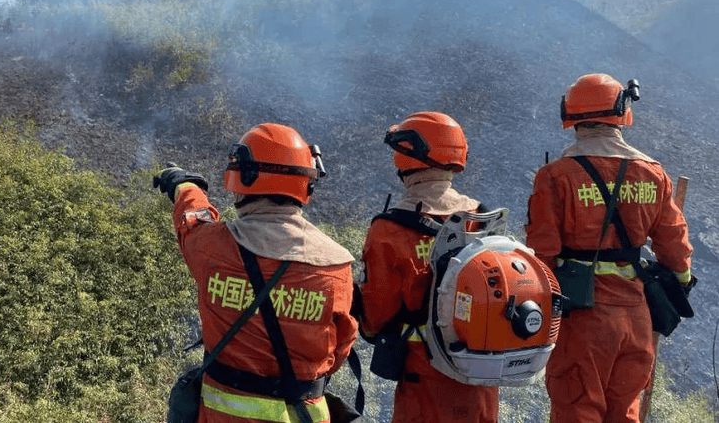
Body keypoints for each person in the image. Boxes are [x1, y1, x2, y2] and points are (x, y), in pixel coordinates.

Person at [154, 122, 358, 423]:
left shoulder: (213, 248)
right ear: (307, 183)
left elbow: (192, 222)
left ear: (245, 178)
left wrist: (185, 186)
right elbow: (340, 347)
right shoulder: (337, 267)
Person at [525, 73, 694, 423]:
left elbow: (543, 254)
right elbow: (675, 249)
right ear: (621, 113)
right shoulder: (653, 174)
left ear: (570, 117)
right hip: (637, 316)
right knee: (625, 413)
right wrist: (681, 280)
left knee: (578, 409)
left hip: (583, 317)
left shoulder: (556, 176)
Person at [355, 111, 499, 423]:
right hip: (482, 380)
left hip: (425, 381)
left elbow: (376, 320)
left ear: (408, 156)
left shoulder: (389, 229)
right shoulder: (481, 217)